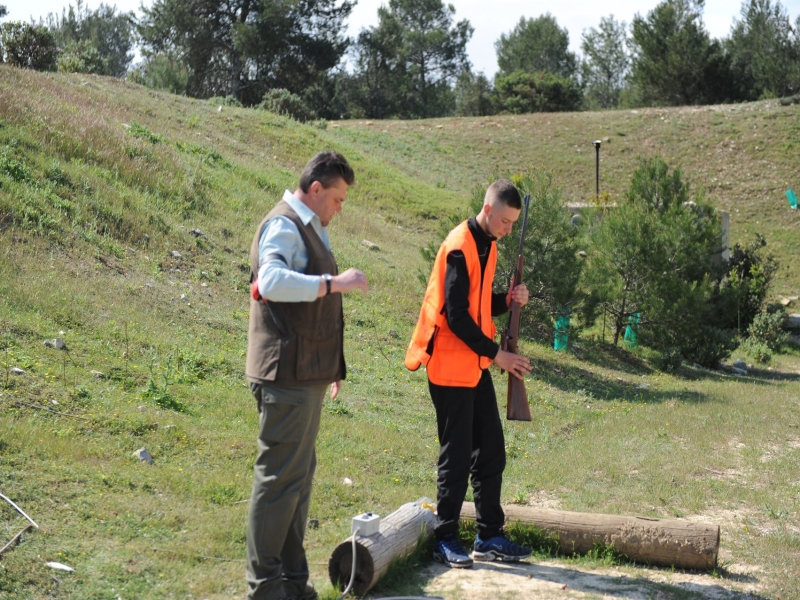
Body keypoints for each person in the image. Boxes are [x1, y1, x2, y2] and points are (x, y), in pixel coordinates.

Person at [245, 151, 368, 600]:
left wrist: (329, 366)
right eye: (337, 198)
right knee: (279, 484)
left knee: (295, 484)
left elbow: (309, 310)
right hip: (286, 377)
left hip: (304, 375)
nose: (340, 208)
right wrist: (335, 283)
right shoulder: (284, 224)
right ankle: (265, 588)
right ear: (315, 189)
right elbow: (271, 282)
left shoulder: (309, 226)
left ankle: (293, 583)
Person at [404, 179, 533, 568]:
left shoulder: (487, 244)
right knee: (456, 456)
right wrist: (499, 356)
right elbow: (457, 317)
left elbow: (478, 306)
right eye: (505, 221)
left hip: (474, 366)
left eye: (513, 224)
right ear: (488, 209)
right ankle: (445, 538)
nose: (507, 229)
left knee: (491, 450)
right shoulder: (460, 246)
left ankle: (488, 535)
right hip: (449, 367)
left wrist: (506, 300)